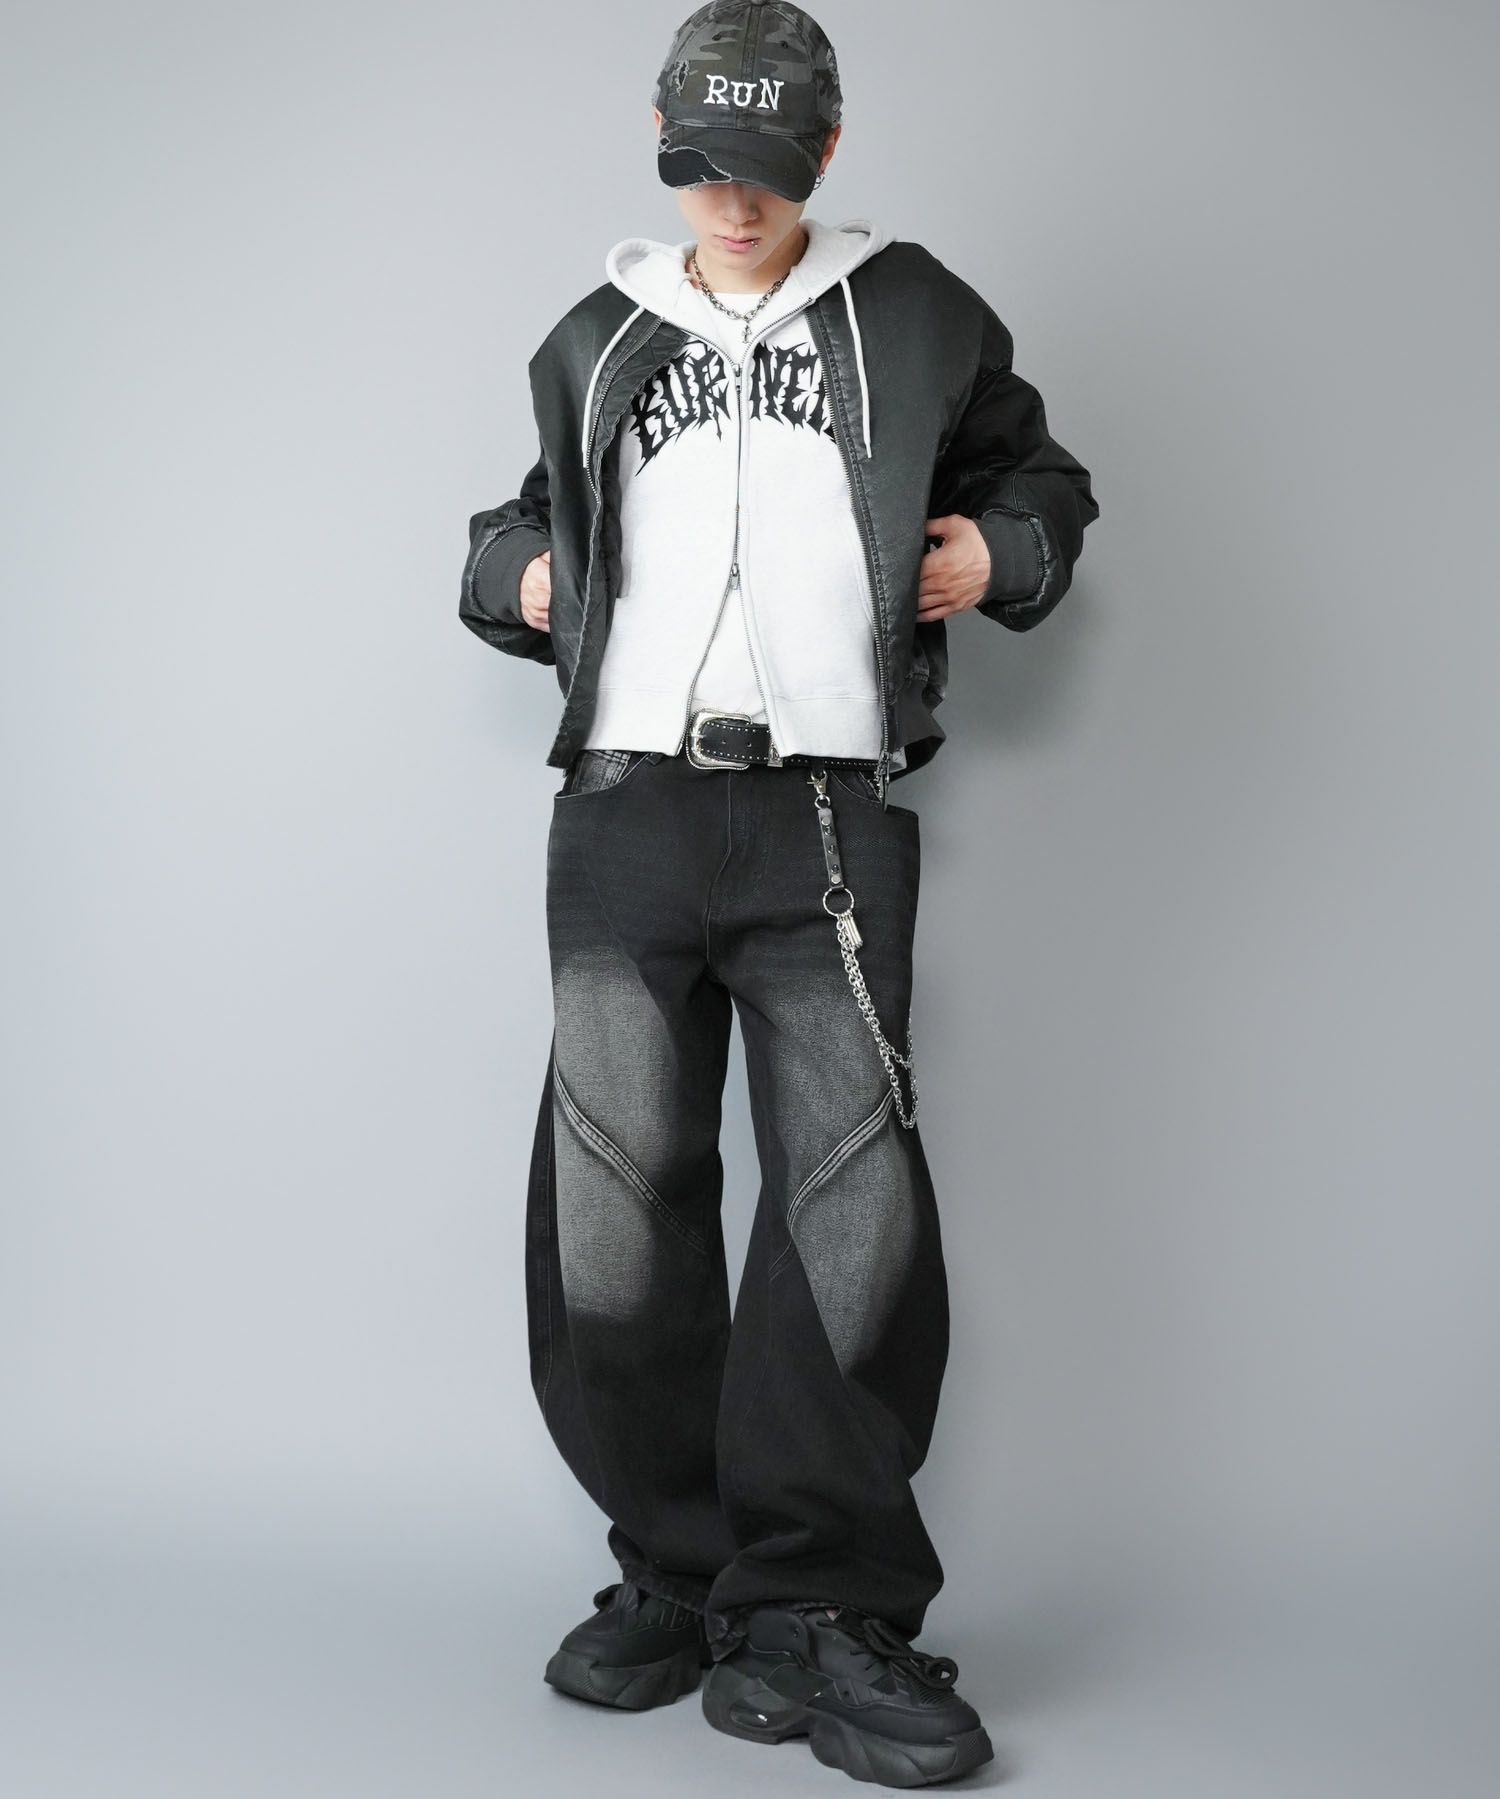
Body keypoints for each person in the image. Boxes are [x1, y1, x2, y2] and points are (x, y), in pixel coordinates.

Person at [459, 1, 1098, 1785]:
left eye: (759, 168)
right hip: (625, 809)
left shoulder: (923, 316)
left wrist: (999, 549)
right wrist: (520, 580)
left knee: (847, 1202)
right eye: (697, 169)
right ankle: (679, 1571)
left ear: (823, 148)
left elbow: (1043, 484)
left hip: (822, 812)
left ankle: (819, 1604)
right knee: (614, 1203)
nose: (728, 204)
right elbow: (516, 526)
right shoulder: (598, 335)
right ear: (660, 146)